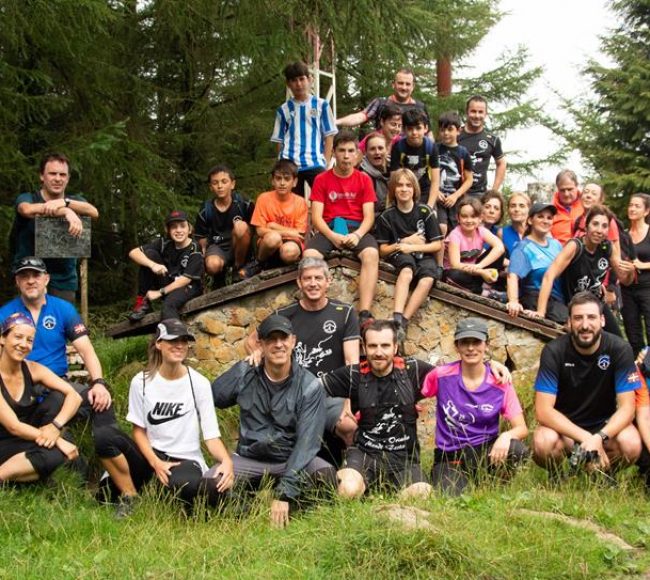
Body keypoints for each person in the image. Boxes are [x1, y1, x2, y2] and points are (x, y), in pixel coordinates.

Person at [94, 319, 233, 516]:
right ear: (158, 343)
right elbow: (138, 431)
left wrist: (226, 461)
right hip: (150, 456)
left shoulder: (199, 383)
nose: (179, 345)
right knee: (104, 438)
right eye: (172, 340)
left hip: (184, 459)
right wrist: (155, 462)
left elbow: (211, 435)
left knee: (180, 485)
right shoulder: (140, 382)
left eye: (184, 341)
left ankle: (216, 496)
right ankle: (130, 496)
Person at [208, 314, 336, 528]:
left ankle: (296, 512)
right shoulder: (247, 374)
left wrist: (285, 493)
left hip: (290, 458)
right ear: (261, 344)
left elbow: (307, 444)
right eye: (271, 339)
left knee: (326, 475)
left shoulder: (310, 385)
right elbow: (216, 396)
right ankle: (247, 515)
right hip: (251, 458)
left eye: (283, 338)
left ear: (293, 341)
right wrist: (244, 366)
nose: (278, 344)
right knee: (211, 483)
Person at [244, 257, 360, 449]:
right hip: (293, 393)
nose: (313, 283)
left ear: (328, 281)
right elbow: (251, 341)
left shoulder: (345, 313)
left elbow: (352, 362)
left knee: (348, 426)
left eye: (318, 278)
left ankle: (351, 472)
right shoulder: (283, 315)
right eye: (307, 279)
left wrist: (348, 404)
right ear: (299, 282)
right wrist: (257, 354)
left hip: (331, 394)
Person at [321, 320, 434, 499]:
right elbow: (308, 389)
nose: (379, 352)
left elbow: (455, 377)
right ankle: (365, 491)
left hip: (403, 459)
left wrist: (491, 366)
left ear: (395, 347)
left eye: (385, 346)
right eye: (372, 346)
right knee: (348, 489)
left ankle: (382, 501)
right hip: (364, 455)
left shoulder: (412, 370)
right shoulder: (354, 374)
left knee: (423, 493)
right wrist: (338, 405)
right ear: (364, 348)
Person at [533, 292, 641, 475]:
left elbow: (627, 409)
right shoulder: (553, 351)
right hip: (565, 428)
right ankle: (558, 477)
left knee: (631, 444)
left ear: (602, 320)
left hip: (604, 427)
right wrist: (587, 438)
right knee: (543, 442)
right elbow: (543, 411)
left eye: (591, 317)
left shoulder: (620, 349)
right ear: (569, 322)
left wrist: (599, 437)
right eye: (578, 318)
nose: (585, 325)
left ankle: (602, 474)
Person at [422, 318, 528, 495]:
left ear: (486, 345)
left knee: (517, 449)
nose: (471, 348)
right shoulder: (440, 376)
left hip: (485, 452)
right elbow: (413, 391)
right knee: (453, 498)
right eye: (465, 342)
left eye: (476, 342)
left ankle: (496, 485)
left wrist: (506, 436)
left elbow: (522, 428)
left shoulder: (500, 382)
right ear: (457, 346)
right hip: (450, 456)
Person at [0, 257, 112, 411]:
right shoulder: (4, 314)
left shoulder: (63, 309)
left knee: (100, 399)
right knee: (54, 404)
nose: (30, 281)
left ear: (46, 279)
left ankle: (109, 435)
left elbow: (86, 351)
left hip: (58, 383)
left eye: (36, 275)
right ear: (17, 282)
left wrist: (98, 383)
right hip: (19, 384)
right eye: (24, 276)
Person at [303, 131, 379, 326]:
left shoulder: (364, 179)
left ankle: (364, 313)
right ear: (334, 153)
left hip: (357, 228)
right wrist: (331, 236)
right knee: (310, 256)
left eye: (351, 151)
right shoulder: (321, 179)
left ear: (357, 154)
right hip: (329, 228)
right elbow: (317, 217)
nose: (346, 156)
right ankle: (316, 305)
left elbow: (369, 216)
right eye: (342, 151)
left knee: (371, 254)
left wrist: (358, 234)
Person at [0, 313, 81, 483]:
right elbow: (13, 427)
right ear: (2, 338)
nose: (23, 344)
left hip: (28, 434)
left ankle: (33, 469)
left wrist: (55, 426)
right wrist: (57, 440)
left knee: (58, 397)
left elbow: (73, 395)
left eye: (29, 340)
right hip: (4, 439)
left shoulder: (33, 369)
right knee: (57, 453)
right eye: (18, 337)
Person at [10, 152, 99, 302]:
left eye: (62, 174)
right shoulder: (28, 198)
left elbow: (94, 212)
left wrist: (66, 203)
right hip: (29, 277)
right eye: (52, 173)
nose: (58, 178)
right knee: (27, 325)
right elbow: (26, 209)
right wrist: (66, 211)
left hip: (64, 280)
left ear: (68, 178)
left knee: (62, 324)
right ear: (42, 176)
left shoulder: (76, 201)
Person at [536, 205, 635, 334]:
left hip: (596, 302)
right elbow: (549, 276)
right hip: (573, 304)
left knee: (617, 341)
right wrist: (540, 312)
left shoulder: (607, 247)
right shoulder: (575, 246)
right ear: (587, 226)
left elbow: (625, 280)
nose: (599, 230)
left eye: (604, 226)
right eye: (595, 224)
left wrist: (631, 272)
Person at [376, 169, 443, 331]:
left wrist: (413, 246)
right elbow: (382, 250)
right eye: (399, 185)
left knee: (427, 279)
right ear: (393, 190)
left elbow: (437, 245)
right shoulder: (387, 216)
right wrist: (402, 243)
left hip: (423, 254)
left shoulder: (425, 212)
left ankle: (404, 321)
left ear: (414, 189)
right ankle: (397, 316)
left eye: (408, 185)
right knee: (406, 271)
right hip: (400, 254)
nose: (404, 189)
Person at [271, 61, 337, 198]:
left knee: (324, 199)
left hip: (315, 162)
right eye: (294, 80)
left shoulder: (322, 105)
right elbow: (279, 139)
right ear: (288, 84)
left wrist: (325, 159)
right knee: (291, 204)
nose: (299, 84)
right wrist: (280, 162)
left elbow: (329, 135)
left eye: (302, 79)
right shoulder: (283, 110)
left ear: (310, 80)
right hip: (289, 162)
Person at [128, 210, 203, 322]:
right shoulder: (164, 243)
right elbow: (133, 253)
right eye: (174, 227)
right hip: (169, 282)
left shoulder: (195, 247)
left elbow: (186, 279)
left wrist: (160, 292)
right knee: (149, 255)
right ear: (168, 230)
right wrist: (153, 265)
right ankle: (142, 303)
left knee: (168, 305)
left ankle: (175, 336)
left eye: (182, 226)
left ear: (189, 229)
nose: (178, 230)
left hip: (188, 287)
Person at [507, 202, 566, 323]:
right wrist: (513, 301)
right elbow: (512, 275)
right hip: (534, 297)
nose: (545, 221)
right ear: (529, 220)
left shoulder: (556, 245)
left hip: (558, 300)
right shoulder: (523, 247)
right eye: (540, 216)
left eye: (549, 218)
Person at [194, 164, 255, 284]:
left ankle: (238, 269)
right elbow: (201, 236)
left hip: (241, 245)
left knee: (240, 226)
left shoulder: (244, 204)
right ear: (211, 187)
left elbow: (256, 226)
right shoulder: (206, 209)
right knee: (212, 264)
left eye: (224, 181)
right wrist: (205, 252)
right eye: (215, 183)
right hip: (217, 245)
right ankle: (219, 276)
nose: (220, 186)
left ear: (232, 184)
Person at [250, 160, 308, 271]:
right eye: (278, 178)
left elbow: (299, 233)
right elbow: (260, 231)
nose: (282, 183)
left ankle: (289, 268)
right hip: (268, 244)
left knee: (289, 252)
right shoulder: (263, 198)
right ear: (272, 181)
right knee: (273, 238)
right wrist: (286, 232)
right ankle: (259, 264)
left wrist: (272, 226)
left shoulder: (300, 202)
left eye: (287, 179)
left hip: (291, 242)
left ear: (294, 182)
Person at [444, 197, 505, 295]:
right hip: (459, 272)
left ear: (480, 218)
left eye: (473, 216)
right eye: (464, 216)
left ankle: (487, 285)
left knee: (501, 251)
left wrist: (480, 266)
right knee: (453, 275)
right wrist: (481, 271)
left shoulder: (481, 231)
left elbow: (500, 248)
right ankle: (484, 292)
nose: (469, 220)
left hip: (475, 270)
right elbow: (455, 265)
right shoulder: (455, 235)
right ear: (458, 218)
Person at [336, 68, 429, 130]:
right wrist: (336, 122)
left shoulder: (420, 107)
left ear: (413, 86)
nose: (404, 87)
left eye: (407, 84)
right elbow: (360, 117)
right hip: (382, 155)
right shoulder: (380, 103)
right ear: (393, 84)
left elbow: (427, 133)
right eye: (400, 83)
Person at [389, 109, 440, 208]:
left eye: (418, 128)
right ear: (404, 130)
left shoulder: (431, 147)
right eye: (410, 129)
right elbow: (393, 178)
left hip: (425, 190)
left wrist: (430, 206)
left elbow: (435, 181)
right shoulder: (398, 147)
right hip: (405, 190)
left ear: (425, 128)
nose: (414, 132)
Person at [458, 96, 506, 197]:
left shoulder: (492, 140)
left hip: (479, 194)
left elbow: (501, 163)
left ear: (486, 114)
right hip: (456, 192)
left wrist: (494, 191)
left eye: (480, 112)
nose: (477, 115)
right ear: (467, 112)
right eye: (473, 111)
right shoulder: (456, 135)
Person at [435, 111, 474, 233]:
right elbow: (428, 175)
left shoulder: (463, 152)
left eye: (450, 129)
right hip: (438, 199)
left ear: (458, 131)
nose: (446, 133)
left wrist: (456, 195)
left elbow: (469, 179)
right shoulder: (434, 149)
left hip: (456, 200)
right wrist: (435, 191)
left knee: (456, 231)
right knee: (441, 228)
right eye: (442, 130)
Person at [623, 194, 650, 356]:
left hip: (648, 288)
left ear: (646, 211)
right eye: (630, 205)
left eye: (637, 206)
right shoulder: (623, 235)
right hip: (627, 289)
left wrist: (643, 265)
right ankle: (640, 375)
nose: (632, 209)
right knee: (633, 335)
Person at [550, 169, 584, 245]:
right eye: (562, 190)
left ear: (577, 186)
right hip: (558, 254)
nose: (566, 194)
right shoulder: (549, 210)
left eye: (570, 189)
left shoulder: (587, 205)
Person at [358, 133, 390, 214]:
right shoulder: (362, 176)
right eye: (372, 149)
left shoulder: (395, 168)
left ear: (387, 150)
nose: (377, 152)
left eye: (380, 148)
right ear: (365, 152)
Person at [500, 192, 531, 259]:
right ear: (508, 210)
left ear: (529, 209)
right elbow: (498, 257)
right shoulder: (502, 233)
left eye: (522, 206)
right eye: (513, 206)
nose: (517, 209)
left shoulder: (538, 231)